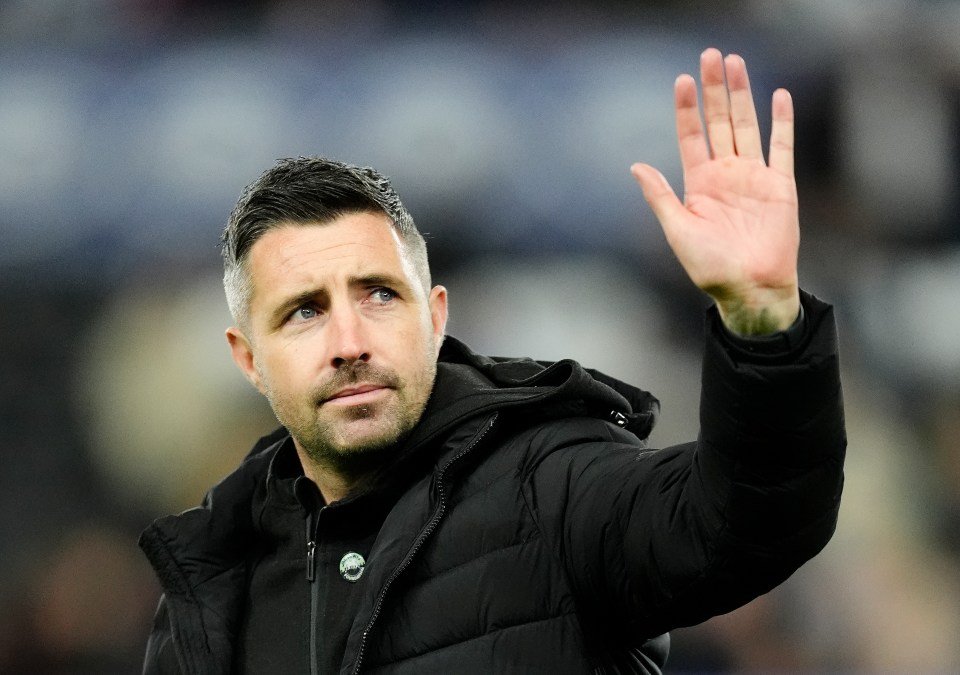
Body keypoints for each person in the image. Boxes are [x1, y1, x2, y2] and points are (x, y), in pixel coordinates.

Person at [139, 49, 846, 674]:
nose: (349, 341)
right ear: (249, 358)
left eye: (380, 295)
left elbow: (748, 519)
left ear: (437, 316)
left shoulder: (554, 480)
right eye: (304, 312)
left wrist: (763, 319)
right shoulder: (211, 581)